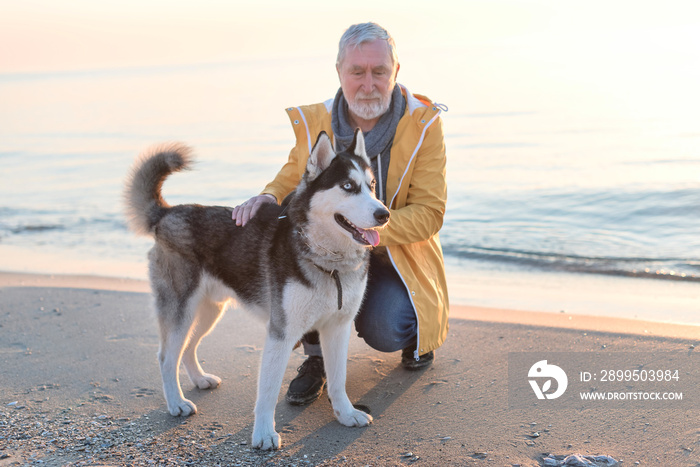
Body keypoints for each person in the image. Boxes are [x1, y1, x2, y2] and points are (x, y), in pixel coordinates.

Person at [232, 22, 449, 406]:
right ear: (339, 72)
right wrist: (268, 196)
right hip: (332, 249)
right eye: (357, 71)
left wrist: (367, 225)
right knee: (302, 260)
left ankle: (418, 330)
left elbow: (430, 213)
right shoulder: (318, 122)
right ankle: (316, 360)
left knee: (386, 327)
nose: (368, 83)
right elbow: (294, 173)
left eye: (379, 71)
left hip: (395, 255)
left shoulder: (423, 125)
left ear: (395, 72)